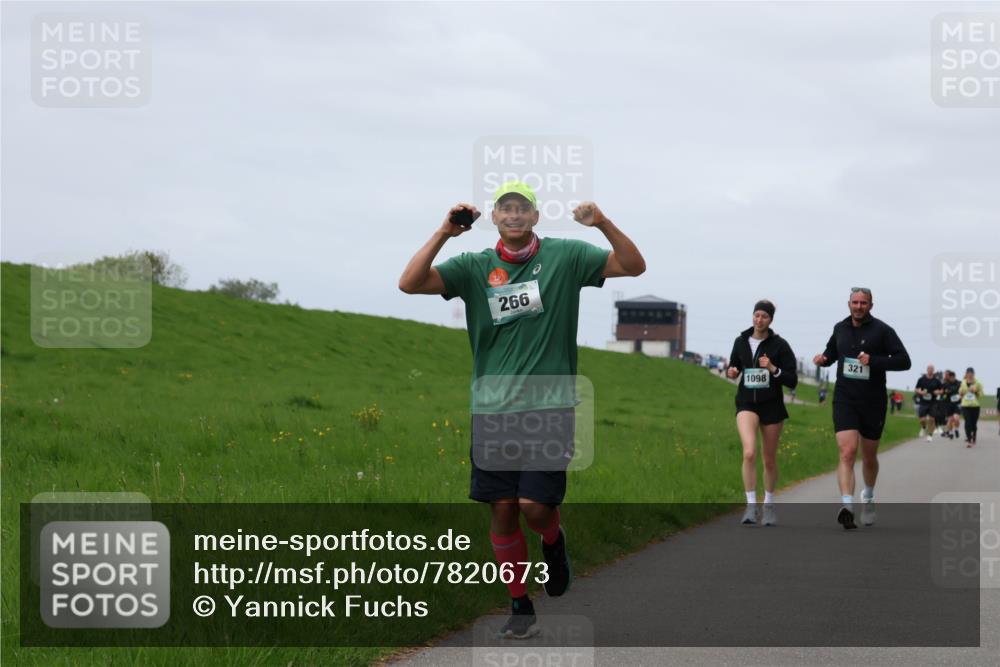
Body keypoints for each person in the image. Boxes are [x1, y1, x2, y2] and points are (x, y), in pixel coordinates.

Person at [398, 181, 645, 639]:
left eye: (522, 208)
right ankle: (520, 605)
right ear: (494, 217)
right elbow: (410, 283)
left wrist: (603, 223)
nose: (514, 214)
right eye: (505, 208)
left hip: (549, 406)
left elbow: (634, 265)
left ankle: (553, 540)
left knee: (534, 507)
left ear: (534, 217)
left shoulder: (566, 256)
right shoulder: (474, 267)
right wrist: (444, 232)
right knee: (503, 510)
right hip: (492, 410)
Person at [813, 288, 911, 530]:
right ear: (848, 304)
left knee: (869, 456)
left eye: (863, 303)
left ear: (871, 305)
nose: (858, 306)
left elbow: (904, 361)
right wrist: (823, 359)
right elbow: (832, 352)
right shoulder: (840, 328)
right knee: (847, 452)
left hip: (873, 401)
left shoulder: (883, 331)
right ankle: (847, 505)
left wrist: (874, 361)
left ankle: (867, 497)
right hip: (845, 399)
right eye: (855, 302)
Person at [726, 300, 798, 526]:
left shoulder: (780, 345)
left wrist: (773, 369)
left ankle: (768, 504)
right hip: (747, 402)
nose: (759, 320)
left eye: (764, 316)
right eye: (756, 315)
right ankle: (750, 506)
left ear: (771, 320)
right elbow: (734, 367)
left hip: (772, 406)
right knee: (749, 452)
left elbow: (792, 379)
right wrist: (732, 371)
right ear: (752, 316)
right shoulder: (740, 341)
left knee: (768, 459)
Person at [914, 365, 941, 442]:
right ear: (927, 370)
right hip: (923, 402)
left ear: (933, 371)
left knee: (932, 419)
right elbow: (916, 389)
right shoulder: (921, 379)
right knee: (922, 420)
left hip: (933, 402)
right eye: (929, 369)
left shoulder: (937, 380)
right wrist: (921, 392)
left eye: (932, 369)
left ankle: (930, 435)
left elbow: (942, 390)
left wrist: (938, 392)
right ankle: (923, 428)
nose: (930, 370)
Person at [959, 367, 984, 447]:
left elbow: (981, 394)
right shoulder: (963, 382)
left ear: (974, 374)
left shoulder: (978, 383)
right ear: (966, 374)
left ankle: (974, 435)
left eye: (971, 374)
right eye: (968, 374)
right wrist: (961, 393)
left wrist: (976, 391)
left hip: (975, 406)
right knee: (967, 422)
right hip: (965, 405)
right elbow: (960, 392)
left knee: (973, 424)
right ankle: (969, 440)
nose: (970, 375)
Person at [940, 370, 962, 439]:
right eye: (950, 377)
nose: (952, 378)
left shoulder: (959, 383)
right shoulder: (945, 384)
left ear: (955, 377)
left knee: (956, 418)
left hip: (957, 404)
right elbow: (942, 393)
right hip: (948, 404)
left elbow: (963, 390)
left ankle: (956, 429)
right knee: (950, 419)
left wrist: (961, 394)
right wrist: (945, 392)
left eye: (953, 377)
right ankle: (950, 432)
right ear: (949, 377)